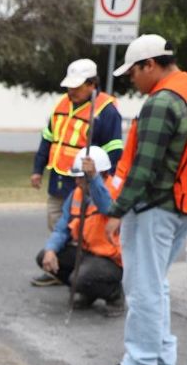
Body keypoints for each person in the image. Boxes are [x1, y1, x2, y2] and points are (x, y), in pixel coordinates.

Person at [95, 34, 187, 365]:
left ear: (150, 64)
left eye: (133, 72)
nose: (132, 80)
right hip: (182, 202)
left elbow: (144, 168)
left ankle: (140, 364)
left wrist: (116, 211)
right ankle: (162, 358)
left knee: (143, 287)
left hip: (155, 207)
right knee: (156, 284)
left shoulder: (161, 102)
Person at [30, 58, 124, 286]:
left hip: (87, 181)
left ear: (92, 84)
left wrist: (98, 181)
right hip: (61, 176)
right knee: (59, 222)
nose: (71, 91)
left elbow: (114, 150)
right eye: (69, 86)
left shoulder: (106, 111)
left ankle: (89, 270)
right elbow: (48, 138)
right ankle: (61, 266)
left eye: (77, 86)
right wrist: (37, 169)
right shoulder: (62, 104)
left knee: (88, 225)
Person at [35, 147, 125, 316]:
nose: (77, 182)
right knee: (44, 257)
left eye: (81, 177)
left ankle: (115, 294)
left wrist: (93, 179)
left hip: (111, 260)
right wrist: (50, 250)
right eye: (76, 177)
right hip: (87, 253)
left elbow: (107, 207)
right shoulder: (77, 194)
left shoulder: (115, 190)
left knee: (79, 277)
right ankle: (88, 292)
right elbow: (62, 228)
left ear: (100, 174)